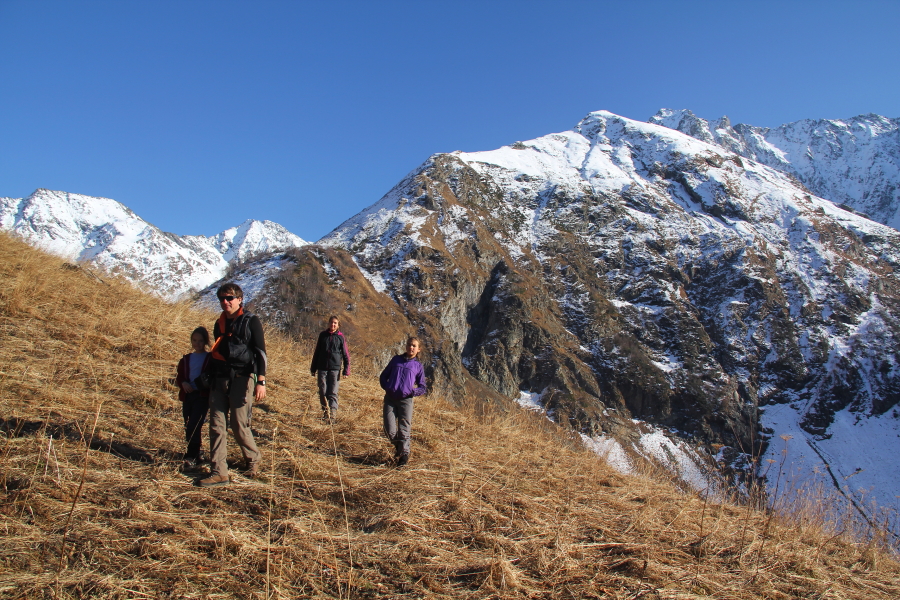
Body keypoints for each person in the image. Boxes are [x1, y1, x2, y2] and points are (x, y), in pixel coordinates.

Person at [195, 283, 267, 487]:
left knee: (238, 425)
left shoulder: (251, 321)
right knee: (216, 426)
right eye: (221, 299)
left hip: (242, 378)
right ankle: (219, 472)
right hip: (219, 378)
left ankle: (253, 459)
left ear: (239, 299)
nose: (225, 302)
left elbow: (260, 352)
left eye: (229, 298)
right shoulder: (220, 323)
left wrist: (260, 381)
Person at [380, 336, 427, 467]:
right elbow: (384, 376)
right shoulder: (396, 360)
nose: (411, 347)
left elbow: (423, 387)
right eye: (409, 345)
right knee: (389, 429)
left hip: (406, 401)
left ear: (418, 350)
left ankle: (403, 456)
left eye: (414, 346)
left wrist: (412, 392)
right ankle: (400, 448)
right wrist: (387, 387)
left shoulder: (417, 366)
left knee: (404, 429)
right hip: (390, 398)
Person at [174, 326, 211, 471]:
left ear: (205, 341)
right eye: (195, 340)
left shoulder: (209, 358)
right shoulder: (186, 359)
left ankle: (192, 454)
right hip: (188, 395)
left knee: (194, 425)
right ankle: (197, 451)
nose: (197, 343)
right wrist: (183, 383)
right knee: (188, 423)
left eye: (201, 341)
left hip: (201, 396)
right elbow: (180, 376)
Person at [310, 315, 351, 421]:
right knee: (322, 391)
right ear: (328, 323)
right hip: (322, 367)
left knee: (333, 392)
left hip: (335, 369)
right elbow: (317, 352)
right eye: (331, 322)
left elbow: (346, 354)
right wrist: (313, 368)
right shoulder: (322, 335)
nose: (333, 324)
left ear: (338, 325)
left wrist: (346, 370)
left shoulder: (341, 337)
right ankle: (325, 412)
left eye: (335, 323)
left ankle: (332, 416)